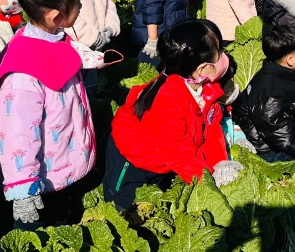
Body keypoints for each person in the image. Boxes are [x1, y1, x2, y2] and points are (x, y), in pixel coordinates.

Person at [0, 0, 98, 228]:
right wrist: (23, 188)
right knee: (37, 241)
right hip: (42, 183)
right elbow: (17, 134)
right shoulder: (21, 75)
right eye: (77, 4)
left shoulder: (51, 38)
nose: (81, 8)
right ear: (55, 16)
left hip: (63, 165)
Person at [102, 20, 243, 210]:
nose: (224, 57)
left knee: (158, 200)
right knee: (124, 207)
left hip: (166, 159)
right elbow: (179, 155)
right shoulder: (166, 102)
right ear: (202, 69)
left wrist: (219, 166)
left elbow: (211, 130)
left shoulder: (207, 88)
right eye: (219, 52)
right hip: (135, 163)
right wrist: (209, 186)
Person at [232, 25, 295, 161]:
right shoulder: (271, 89)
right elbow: (275, 127)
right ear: (290, 60)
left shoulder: (280, 73)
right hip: (269, 147)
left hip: (282, 137)